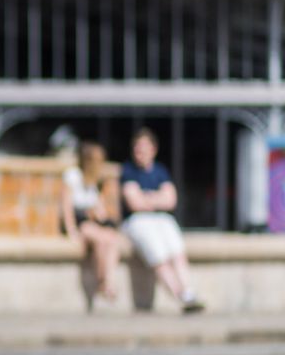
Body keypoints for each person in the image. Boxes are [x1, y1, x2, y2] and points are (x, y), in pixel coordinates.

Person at [120, 128, 205, 313]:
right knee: (158, 256)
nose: (140, 152)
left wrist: (145, 198)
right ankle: (181, 297)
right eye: (137, 148)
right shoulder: (128, 170)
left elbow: (171, 200)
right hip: (138, 221)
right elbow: (134, 203)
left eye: (144, 148)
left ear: (153, 149)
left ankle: (188, 292)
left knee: (176, 251)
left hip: (161, 219)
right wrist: (157, 198)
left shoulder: (160, 171)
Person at [62, 141, 122, 301]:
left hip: (92, 221)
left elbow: (99, 209)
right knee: (102, 240)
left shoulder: (94, 182)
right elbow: (66, 207)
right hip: (80, 221)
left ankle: (108, 282)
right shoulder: (73, 176)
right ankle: (104, 282)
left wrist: (99, 213)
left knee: (112, 239)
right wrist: (71, 230)